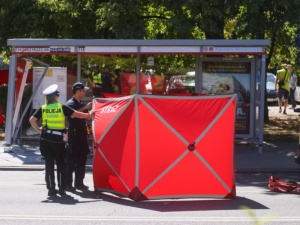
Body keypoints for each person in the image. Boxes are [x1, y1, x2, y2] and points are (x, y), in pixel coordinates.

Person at [29, 84, 93, 196]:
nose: (58, 96)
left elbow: (32, 120)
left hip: (45, 140)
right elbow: (78, 115)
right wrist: (89, 114)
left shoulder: (43, 108)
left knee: (49, 165)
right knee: (60, 165)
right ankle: (62, 188)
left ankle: (51, 189)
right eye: (57, 95)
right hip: (57, 141)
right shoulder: (61, 107)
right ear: (55, 97)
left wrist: (39, 130)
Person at [65, 82, 92, 192]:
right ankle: (68, 184)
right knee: (71, 161)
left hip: (82, 135)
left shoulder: (82, 102)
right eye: (82, 90)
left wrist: (90, 111)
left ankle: (79, 183)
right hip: (74, 135)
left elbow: (88, 116)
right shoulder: (70, 103)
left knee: (82, 160)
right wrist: (85, 107)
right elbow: (73, 114)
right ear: (77, 91)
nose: (84, 92)